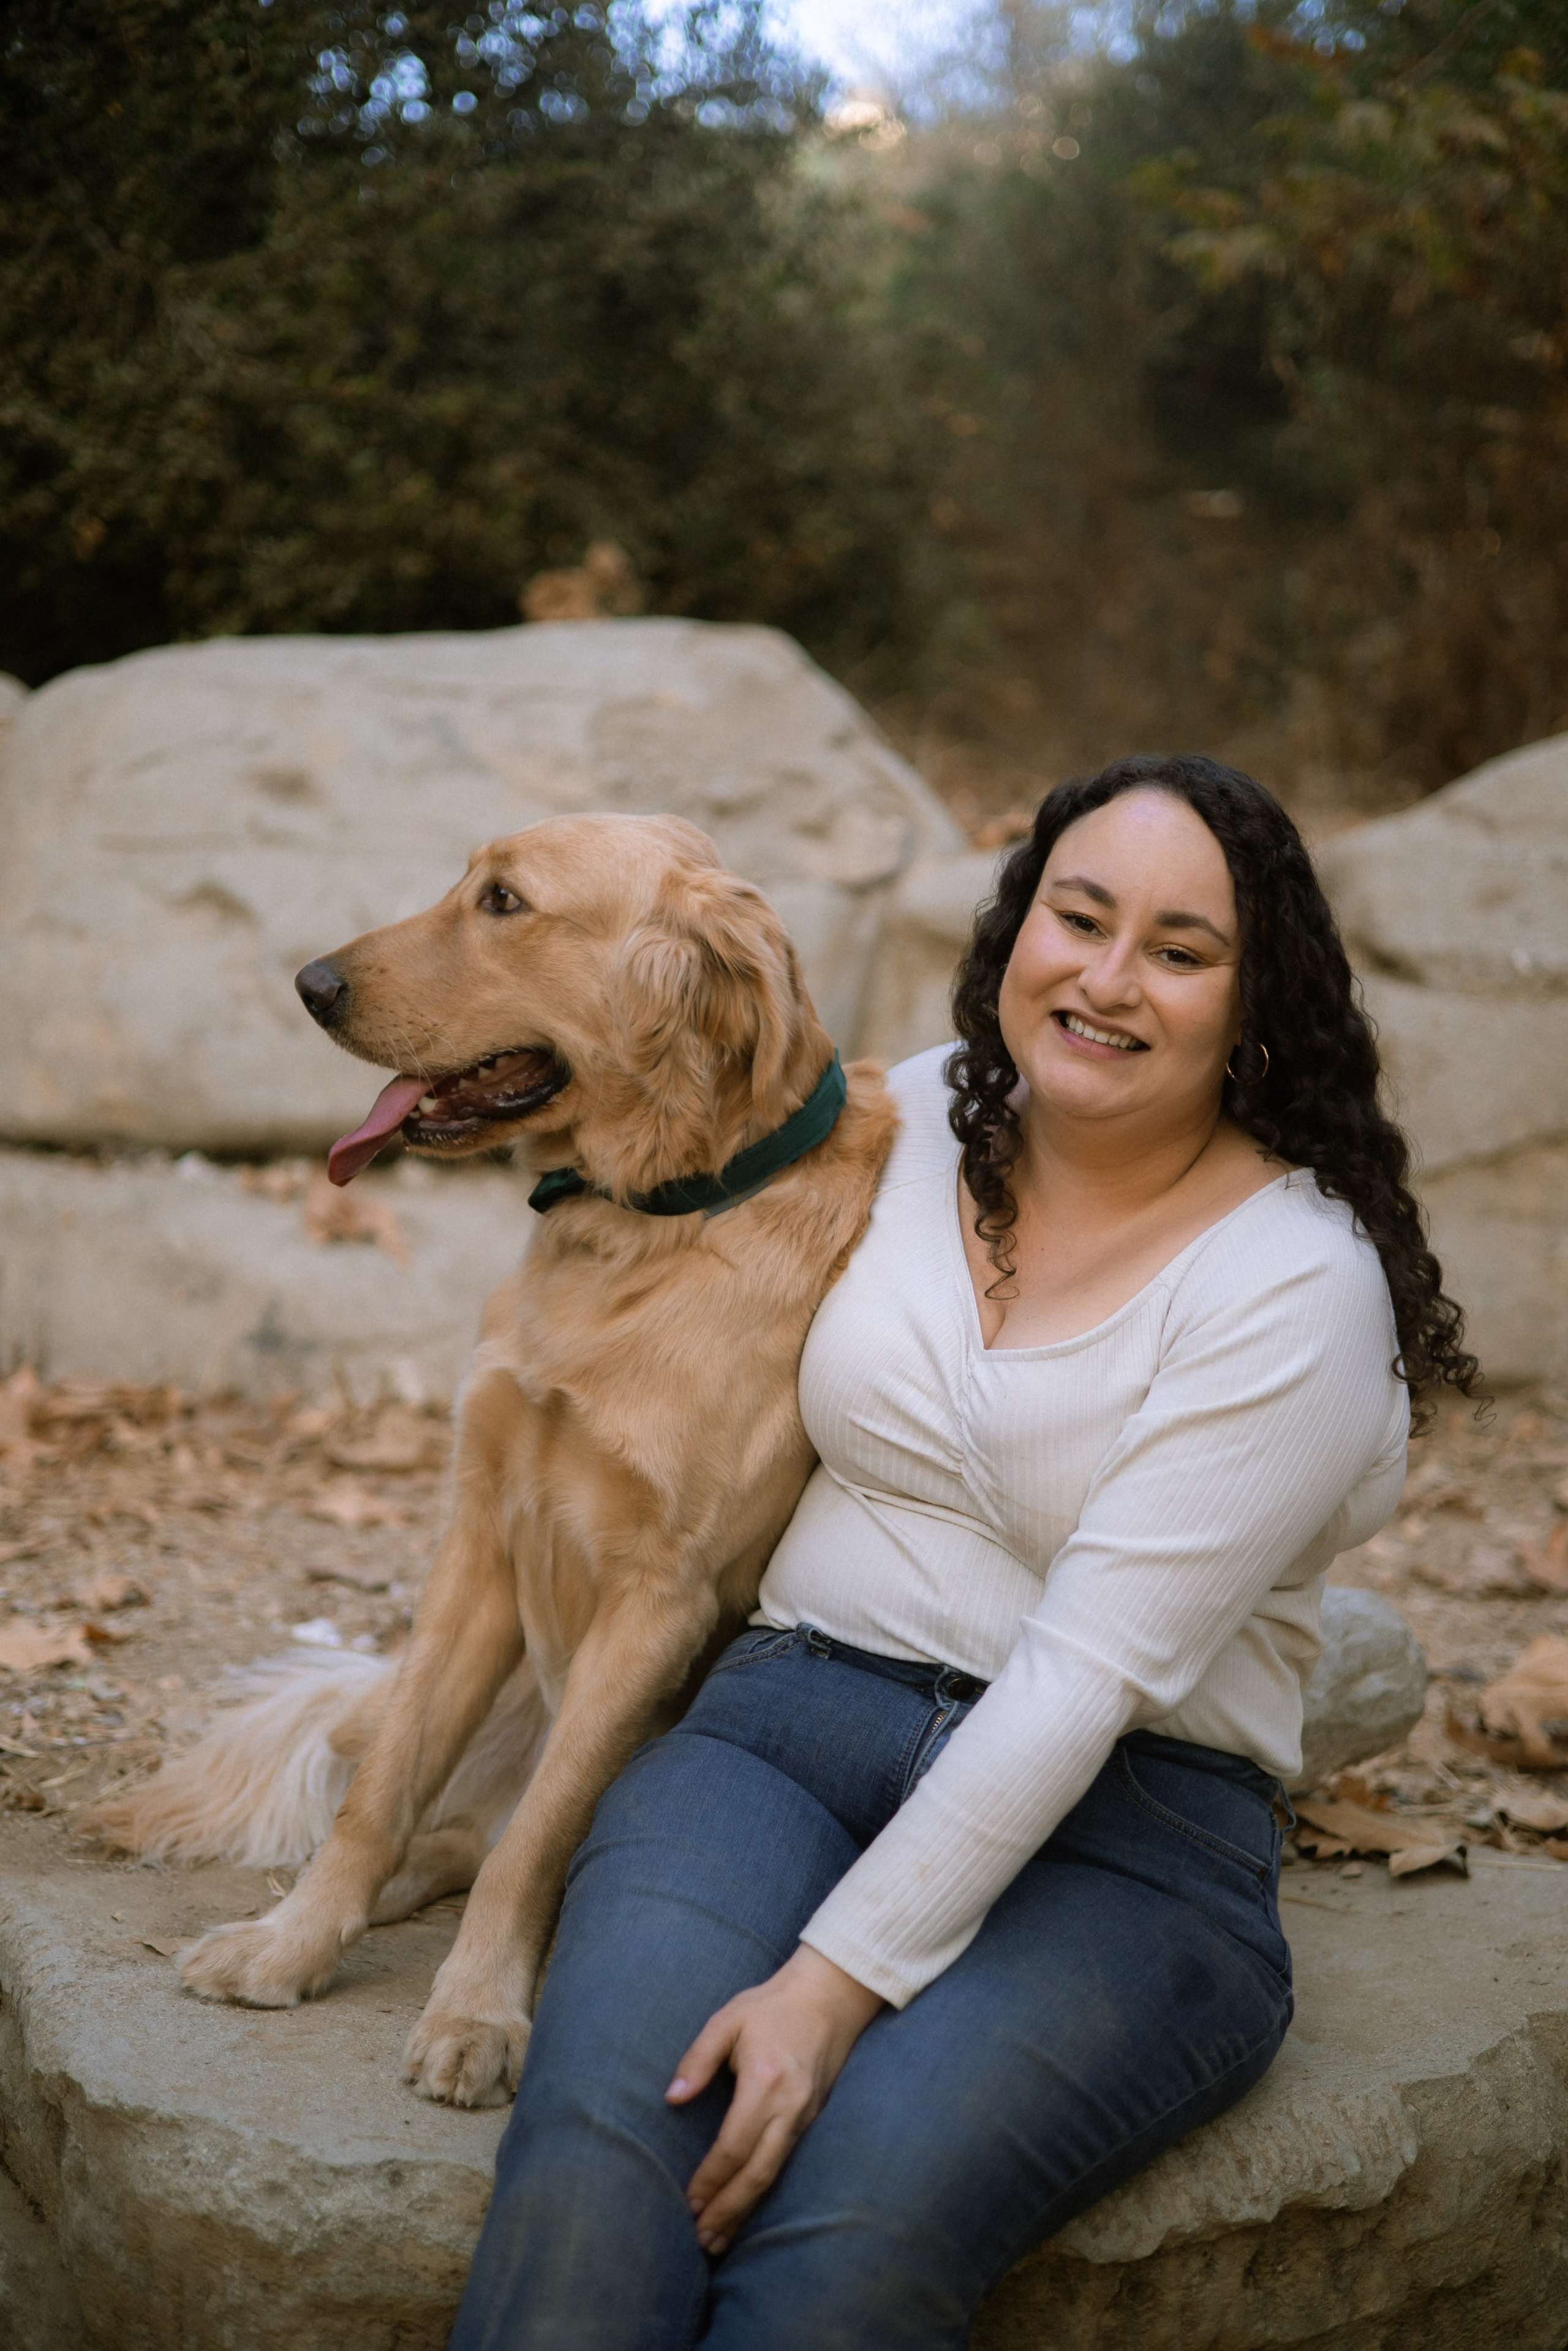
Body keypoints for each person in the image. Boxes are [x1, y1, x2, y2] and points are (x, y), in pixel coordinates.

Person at [448, 754, 1479, 2351]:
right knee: (598, 2157)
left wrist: (830, 1986)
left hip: (1128, 1833)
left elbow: (1083, 1679)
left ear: (1253, 1005)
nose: (1108, 977)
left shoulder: (1296, 1283)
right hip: (778, 1740)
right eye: (1079, 917)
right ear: (1017, 934)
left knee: (844, 2225)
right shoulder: (906, 1118)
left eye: (1180, 950)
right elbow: (663, 1122)